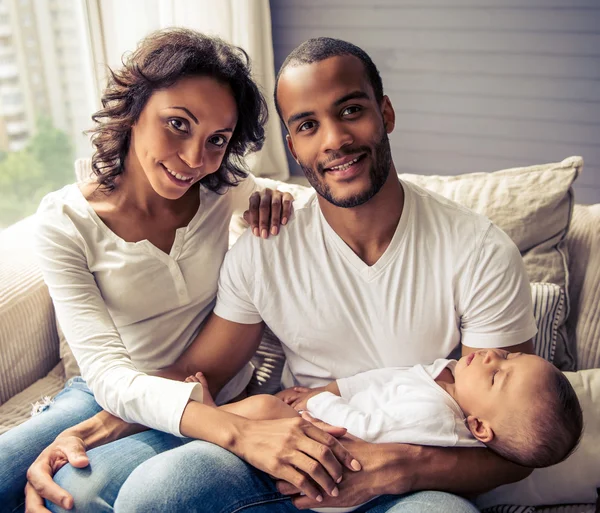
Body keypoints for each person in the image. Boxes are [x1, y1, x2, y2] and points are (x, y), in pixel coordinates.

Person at [25, 37, 546, 513]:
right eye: (307, 125)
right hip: (286, 448)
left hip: (410, 479)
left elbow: (519, 443)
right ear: (292, 147)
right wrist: (90, 430)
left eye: (352, 111)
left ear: (385, 113)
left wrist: (401, 467)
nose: (335, 139)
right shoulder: (266, 242)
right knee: (156, 493)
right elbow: (201, 374)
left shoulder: (478, 250)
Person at [0, 27, 300, 513]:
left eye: (217, 139)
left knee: (79, 495)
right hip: (107, 391)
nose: (194, 159)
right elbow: (109, 378)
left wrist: (276, 200)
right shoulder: (65, 222)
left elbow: (288, 203)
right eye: (178, 124)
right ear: (134, 109)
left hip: (208, 389)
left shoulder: (224, 191)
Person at [183, 347, 582, 512]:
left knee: (266, 406)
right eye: (510, 355)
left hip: (332, 455)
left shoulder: (437, 416)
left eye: (497, 377)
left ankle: (211, 415)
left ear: (478, 426)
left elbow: (366, 430)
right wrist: (327, 390)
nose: (493, 355)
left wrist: (317, 402)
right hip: (325, 432)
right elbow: (379, 382)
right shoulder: (444, 381)